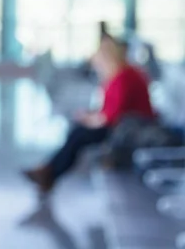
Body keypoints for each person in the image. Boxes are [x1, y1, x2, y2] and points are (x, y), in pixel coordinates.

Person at [23, 35, 154, 194]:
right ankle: (49, 171)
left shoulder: (124, 77)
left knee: (79, 134)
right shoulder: (119, 74)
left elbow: (113, 116)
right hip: (124, 124)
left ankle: (49, 172)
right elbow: (110, 109)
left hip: (131, 129)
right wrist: (90, 117)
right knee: (77, 132)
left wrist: (91, 119)